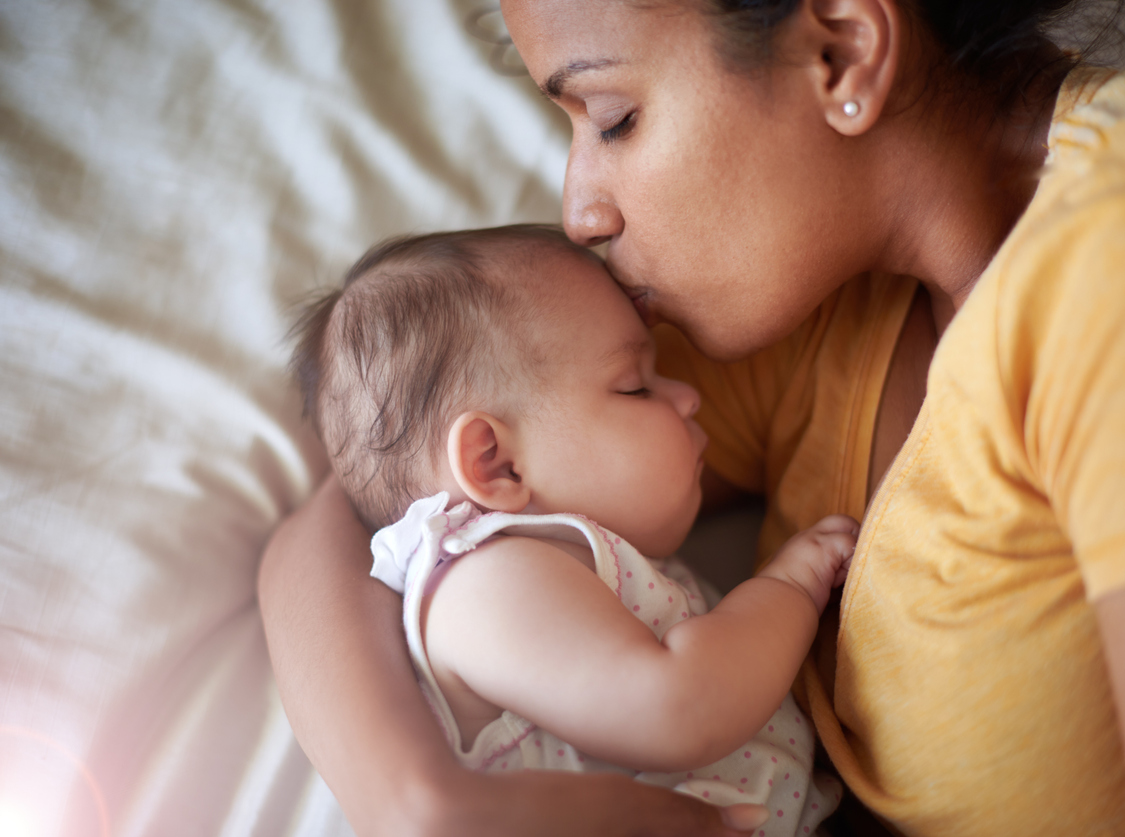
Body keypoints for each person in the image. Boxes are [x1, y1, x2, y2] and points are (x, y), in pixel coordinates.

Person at [258, 0, 1125, 835]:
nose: (580, 211)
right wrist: (427, 800)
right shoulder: (814, 295)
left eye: (612, 116)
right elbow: (373, 499)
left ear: (842, 51)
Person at [287, 225, 849, 834]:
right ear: (496, 464)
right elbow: (679, 706)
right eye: (636, 386)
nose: (687, 397)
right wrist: (793, 586)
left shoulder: (568, 565)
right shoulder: (483, 584)